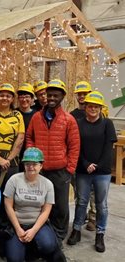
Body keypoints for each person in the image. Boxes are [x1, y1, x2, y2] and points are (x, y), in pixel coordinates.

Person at [26, 79, 80, 246]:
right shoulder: (36, 117)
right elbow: (29, 137)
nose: (51, 98)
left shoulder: (68, 120)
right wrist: (32, 157)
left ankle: (58, 238)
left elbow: (74, 146)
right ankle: (42, 234)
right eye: (49, 95)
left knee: (61, 208)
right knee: (40, 204)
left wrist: (69, 170)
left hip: (60, 171)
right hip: (40, 171)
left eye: (56, 95)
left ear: (62, 96)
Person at [67, 91, 117, 253]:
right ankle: (76, 230)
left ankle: (100, 234)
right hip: (83, 170)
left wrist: (97, 165)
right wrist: (86, 164)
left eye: (96, 107)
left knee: (101, 205)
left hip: (102, 172)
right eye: (90, 106)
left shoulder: (107, 124)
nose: (93, 109)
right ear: (85, 107)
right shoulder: (79, 123)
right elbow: (76, 147)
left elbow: (108, 148)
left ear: (100, 108)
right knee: (81, 201)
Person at [4, 147, 66, 262]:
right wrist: (18, 229)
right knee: (14, 259)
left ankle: (33, 246)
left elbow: (46, 211)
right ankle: (27, 248)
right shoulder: (14, 180)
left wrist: (33, 230)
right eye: (27, 164)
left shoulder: (47, 184)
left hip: (37, 224)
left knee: (48, 246)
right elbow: (8, 206)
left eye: (35, 164)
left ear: (41, 166)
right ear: (24, 165)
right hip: (18, 224)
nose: (31, 167)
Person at [70, 81, 97, 231]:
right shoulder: (72, 115)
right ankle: (81, 216)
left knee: (93, 191)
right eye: (79, 94)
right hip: (77, 159)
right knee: (80, 192)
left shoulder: (98, 113)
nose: (81, 96)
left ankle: (93, 217)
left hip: (92, 160)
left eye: (84, 94)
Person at [16, 83, 37, 172]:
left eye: (27, 97)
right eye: (21, 97)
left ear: (32, 99)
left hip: (31, 156)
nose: (24, 99)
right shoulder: (13, 114)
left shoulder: (37, 115)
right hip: (15, 156)